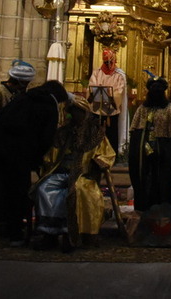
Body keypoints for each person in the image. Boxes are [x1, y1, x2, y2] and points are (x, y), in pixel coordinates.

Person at [0, 78, 67, 250]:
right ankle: (15, 235)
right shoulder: (49, 105)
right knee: (16, 193)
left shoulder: (23, 98)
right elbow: (46, 138)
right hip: (17, 154)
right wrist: (37, 161)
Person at [31, 96, 115, 252]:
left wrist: (100, 161)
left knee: (75, 192)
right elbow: (51, 155)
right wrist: (46, 162)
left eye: (78, 112)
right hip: (61, 171)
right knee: (44, 188)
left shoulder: (95, 133)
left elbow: (107, 154)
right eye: (73, 112)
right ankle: (50, 233)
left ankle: (71, 234)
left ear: (85, 113)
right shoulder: (63, 132)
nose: (75, 115)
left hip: (83, 175)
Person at [128, 71, 171, 211]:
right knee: (145, 182)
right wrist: (145, 148)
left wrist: (164, 151)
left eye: (159, 90)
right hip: (144, 154)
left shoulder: (170, 109)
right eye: (153, 90)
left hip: (163, 154)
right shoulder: (142, 109)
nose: (156, 93)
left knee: (162, 183)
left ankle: (163, 211)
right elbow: (135, 132)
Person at [87, 48, 127, 154]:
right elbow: (91, 86)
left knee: (112, 133)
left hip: (111, 110)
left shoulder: (119, 75)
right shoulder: (96, 73)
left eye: (110, 62)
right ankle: (95, 154)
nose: (108, 64)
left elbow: (119, 91)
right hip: (97, 108)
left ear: (114, 61)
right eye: (106, 62)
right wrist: (99, 90)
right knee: (95, 132)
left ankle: (112, 154)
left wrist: (110, 94)